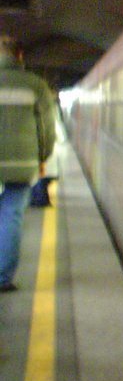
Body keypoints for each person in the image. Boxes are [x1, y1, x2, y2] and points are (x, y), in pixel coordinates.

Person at [0, 34, 56, 292]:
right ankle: (3, 278)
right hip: (22, 163)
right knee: (11, 216)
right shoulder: (35, 85)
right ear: (19, 55)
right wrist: (42, 157)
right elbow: (47, 130)